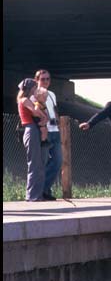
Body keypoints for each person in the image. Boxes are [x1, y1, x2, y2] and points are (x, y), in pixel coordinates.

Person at [17, 78, 48, 202]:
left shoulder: (29, 100)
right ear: (30, 89)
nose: (36, 90)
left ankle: (37, 194)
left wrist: (43, 116)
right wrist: (43, 115)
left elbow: (42, 115)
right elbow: (36, 112)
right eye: (35, 87)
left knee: (38, 163)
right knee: (34, 164)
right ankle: (32, 195)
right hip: (30, 129)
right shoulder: (24, 100)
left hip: (34, 129)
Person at [34, 69, 63, 201]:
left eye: (48, 79)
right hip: (43, 131)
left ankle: (45, 188)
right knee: (42, 162)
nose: (45, 81)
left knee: (57, 161)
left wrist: (57, 120)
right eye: (43, 79)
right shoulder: (34, 94)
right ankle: (42, 191)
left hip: (55, 130)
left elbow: (54, 109)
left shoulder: (51, 94)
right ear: (37, 80)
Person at [32, 87, 53, 167]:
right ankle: (43, 141)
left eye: (46, 96)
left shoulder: (42, 104)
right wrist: (43, 117)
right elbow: (36, 111)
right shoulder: (37, 104)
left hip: (42, 121)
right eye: (44, 97)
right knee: (43, 130)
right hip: (39, 121)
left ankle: (45, 143)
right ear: (38, 96)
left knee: (45, 130)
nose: (46, 98)